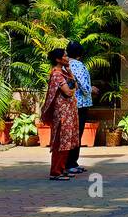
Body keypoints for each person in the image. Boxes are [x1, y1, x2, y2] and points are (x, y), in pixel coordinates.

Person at [42, 48, 80, 181]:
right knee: (60, 141)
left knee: (67, 141)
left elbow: (74, 85)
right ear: (58, 59)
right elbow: (68, 92)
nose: (67, 58)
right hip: (62, 113)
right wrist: (73, 88)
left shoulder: (64, 72)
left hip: (68, 112)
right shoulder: (57, 74)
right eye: (64, 56)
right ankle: (55, 171)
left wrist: (69, 72)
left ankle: (62, 169)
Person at [65, 40, 99, 175]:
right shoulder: (78, 65)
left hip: (72, 103)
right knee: (76, 134)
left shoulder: (66, 65)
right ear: (80, 53)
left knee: (74, 134)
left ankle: (72, 162)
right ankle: (71, 163)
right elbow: (82, 82)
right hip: (80, 104)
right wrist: (91, 89)